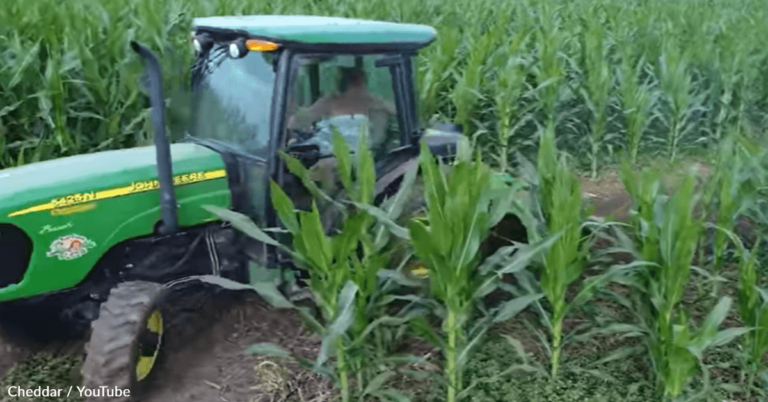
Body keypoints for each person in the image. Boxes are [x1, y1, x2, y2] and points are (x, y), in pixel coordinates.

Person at [286, 67, 396, 152]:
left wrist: (379, 103)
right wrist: (292, 107)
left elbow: (397, 112)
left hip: (365, 154)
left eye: (358, 81)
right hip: (329, 152)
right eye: (354, 81)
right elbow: (301, 119)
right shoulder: (329, 101)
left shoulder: (373, 102)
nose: (357, 85)